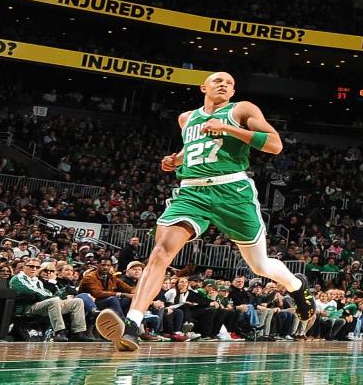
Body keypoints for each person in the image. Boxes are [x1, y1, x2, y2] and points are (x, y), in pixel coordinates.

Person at [102, 71, 313, 352]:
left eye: (230, 83)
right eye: (218, 81)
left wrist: (229, 129)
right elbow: (194, 147)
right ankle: (132, 325)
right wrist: (175, 160)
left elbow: (275, 145)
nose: (225, 85)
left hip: (232, 192)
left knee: (259, 265)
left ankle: (296, 286)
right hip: (192, 192)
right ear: (204, 87)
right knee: (160, 251)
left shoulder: (241, 109)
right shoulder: (186, 118)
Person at [11, 261, 89, 341]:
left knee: (77, 301)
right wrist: (50, 296)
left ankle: (79, 332)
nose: (34, 269)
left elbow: (46, 292)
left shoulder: (36, 281)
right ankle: (59, 331)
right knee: (54, 300)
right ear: (24, 267)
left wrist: (59, 297)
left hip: (43, 305)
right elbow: (29, 291)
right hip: (27, 307)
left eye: (37, 267)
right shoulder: (18, 278)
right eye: (31, 266)